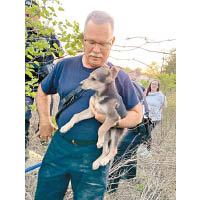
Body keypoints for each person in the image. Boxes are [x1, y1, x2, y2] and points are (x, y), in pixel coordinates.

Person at [34, 10, 143, 200]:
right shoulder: (64, 66)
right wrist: (44, 119)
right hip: (60, 147)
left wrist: (112, 121)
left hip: (94, 154)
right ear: (83, 39)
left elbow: (137, 115)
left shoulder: (121, 78)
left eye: (103, 43)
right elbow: (42, 91)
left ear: (113, 41)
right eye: (91, 42)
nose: (96, 50)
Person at [25, 0, 62, 159]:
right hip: (26, 85)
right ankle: (24, 152)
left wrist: (49, 63)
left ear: (38, 15)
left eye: (30, 14)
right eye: (25, 14)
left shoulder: (47, 32)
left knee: (46, 118)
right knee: (23, 115)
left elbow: (60, 53)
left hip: (44, 85)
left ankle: (45, 143)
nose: (27, 17)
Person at [107, 70, 150, 193]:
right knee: (131, 150)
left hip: (139, 125)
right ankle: (131, 177)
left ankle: (111, 188)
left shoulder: (125, 86)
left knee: (120, 152)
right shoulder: (136, 85)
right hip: (143, 125)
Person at [145, 79, 167, 149]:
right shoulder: (146, 94)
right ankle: (143, 147)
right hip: (146, 116)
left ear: (157, 86)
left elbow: (165, 105)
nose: (154, 85)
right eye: (152, 84)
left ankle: (148, 150)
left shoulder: (160, 95)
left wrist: (163, 97)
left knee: (148, 132)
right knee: (144, 132)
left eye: (156, 84)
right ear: (150, 85)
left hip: (155, 118)